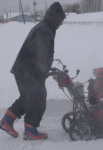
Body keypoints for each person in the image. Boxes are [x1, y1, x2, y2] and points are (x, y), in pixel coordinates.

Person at [0, 2, 66, 140]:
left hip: (25, 70)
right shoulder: (44, 30)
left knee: (28, 98)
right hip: (28, 71)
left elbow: (41, 54)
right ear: (55, 18)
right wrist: (43, 70)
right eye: (60, 20)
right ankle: (30, 130)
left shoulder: (45, 28)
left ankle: (7, 120)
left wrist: (47, 69)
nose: (61, 23)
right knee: (38, 99)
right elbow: (40, 54)